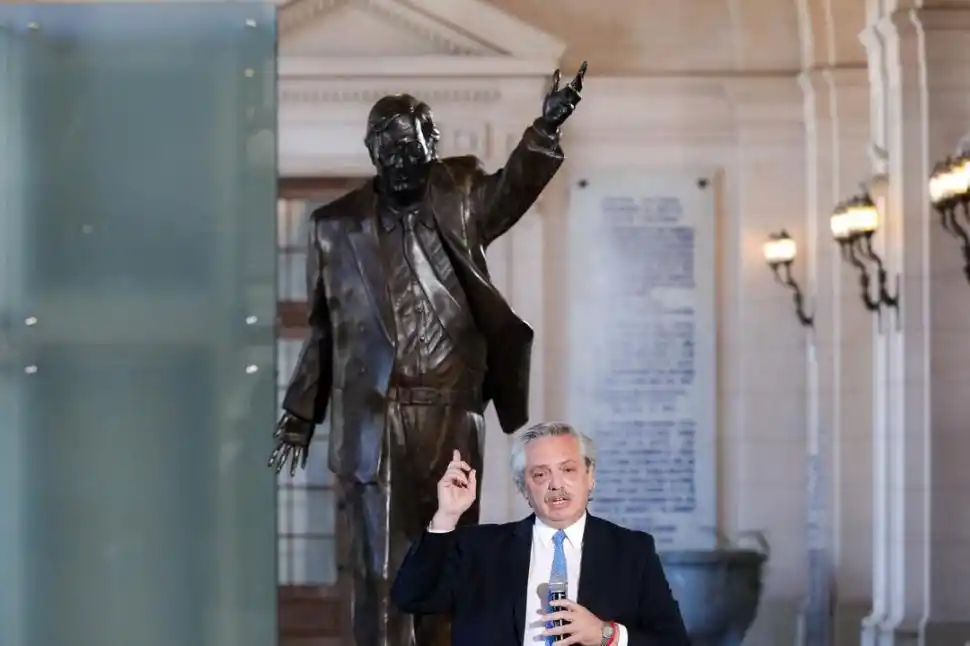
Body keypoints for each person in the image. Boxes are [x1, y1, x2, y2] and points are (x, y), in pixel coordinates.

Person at [268, 63, 589, 646]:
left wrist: (545, 130)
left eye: (411, 150)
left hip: (452, 414)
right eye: (387, 152)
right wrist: (299, 411)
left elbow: (513, 189)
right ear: (371, 153)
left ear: (432, 146)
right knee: (382, 569)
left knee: (450, 557)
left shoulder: (460, 195)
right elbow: (324, 329)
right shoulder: (335, 228)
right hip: (375, 418)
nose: (400, 163)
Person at [391, 422, 691, 646]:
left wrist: (605, 634)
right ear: (524, 488)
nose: (556, 485)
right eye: (540, 474)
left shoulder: (631, 551)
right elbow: (412, 597)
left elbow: (674, 642)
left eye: (568, 470)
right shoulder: (480, 549)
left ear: (590, 478)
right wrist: (447, 515)